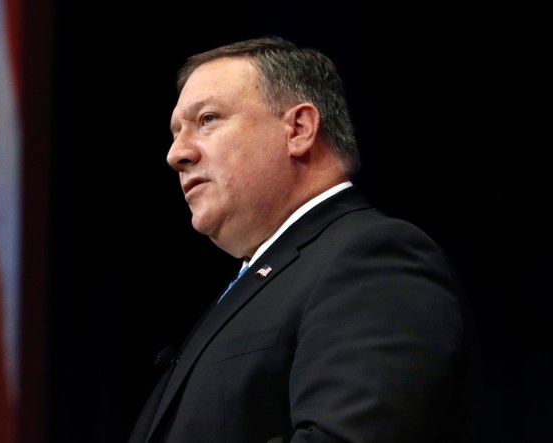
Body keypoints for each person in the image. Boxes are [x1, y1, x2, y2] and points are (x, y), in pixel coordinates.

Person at [129, 36, 478, 443]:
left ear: (298, 129)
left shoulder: (372, 259)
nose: (176, 154)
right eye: (176, 131)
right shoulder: (269, 274)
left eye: (207, 119)